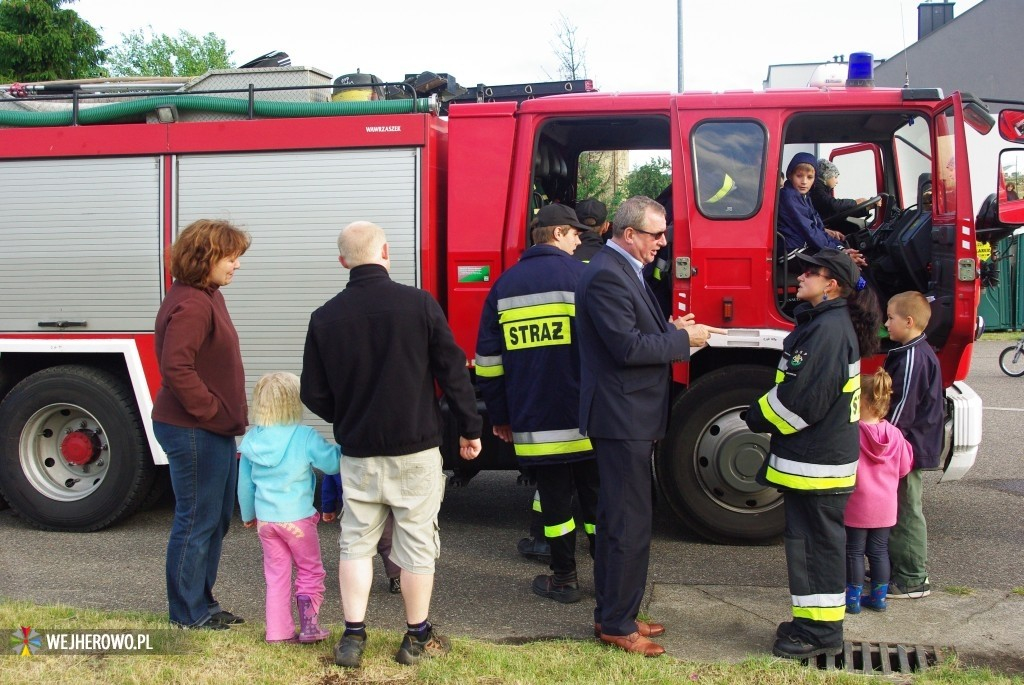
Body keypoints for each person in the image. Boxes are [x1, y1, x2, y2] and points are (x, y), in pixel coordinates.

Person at [300, 220, 482, 669]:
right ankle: (416, 636)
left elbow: (312, 392)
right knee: (418, 542)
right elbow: (453, 371)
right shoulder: (419, 304)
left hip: (358, 451)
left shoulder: (324, 317)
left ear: (343, 260)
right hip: (416, 449)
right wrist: (469, 427)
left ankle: (353, 636)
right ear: (385, 251)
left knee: (355, 542)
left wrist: (347, 417)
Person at [576, 195, 725, 657]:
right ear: (629, 234)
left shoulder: (621, 268)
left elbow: (635, 336)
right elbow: (626, 348)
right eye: (656, 234)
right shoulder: (606, 274)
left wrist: (671, 329)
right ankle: (616, 624)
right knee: (627, 523)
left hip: (629, 416)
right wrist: (683, 339)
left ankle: (617, 611)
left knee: (625, 520)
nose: (664, 242)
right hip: (621, 419)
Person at [745, 247, 880, 660]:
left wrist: (756, 415)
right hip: (816, 463)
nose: (801, 276)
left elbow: (802, 401)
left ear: (831, 285)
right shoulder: (828, 324)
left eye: (811, 272)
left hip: (818, 466)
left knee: (817, 549)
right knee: (810, 547)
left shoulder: (828, 331)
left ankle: (820, 634)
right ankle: (811, 623)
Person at [475, 203, 600, 605]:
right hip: (587, 420)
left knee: (555, 503)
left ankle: (564, 579)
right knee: (598, 502)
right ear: (558, 233)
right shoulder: (584, 278)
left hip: (534, 423)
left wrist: (500, 415)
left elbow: (489, 363)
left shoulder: (505, 285)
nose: (581, 239)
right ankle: (609, 579)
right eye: (576, 233)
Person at [152, 218, 251, 630]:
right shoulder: (192, 303)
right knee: (196, 521)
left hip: (212, 430)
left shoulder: (207, 295)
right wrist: (209, 411)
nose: (236, 265)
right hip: (195, 430)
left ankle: (203, 605)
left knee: (212, 523)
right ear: (205, 257)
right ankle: (188, 614)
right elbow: (176, 366)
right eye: (230, 257)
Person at [237, 372, 340, 643]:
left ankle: (278, 631)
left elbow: (245, 485)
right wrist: (346, 446)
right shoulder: (303, 436)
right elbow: (332, 464)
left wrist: (248, 515)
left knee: (276, 576)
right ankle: (309, 626)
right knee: (310, 570)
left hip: (266, 522)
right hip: (298, 521)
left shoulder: (251, 440)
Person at [883, 291, 944, 600]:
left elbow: (901, 410)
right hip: (912, 446)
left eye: (891, 318)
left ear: (908, 321)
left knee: (906, 511)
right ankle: (902, 569)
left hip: (908, 448)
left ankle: (912, 578)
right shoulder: (913, 352)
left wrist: (881, 444)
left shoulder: (911, 358)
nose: (886, 323)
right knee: (901, 506)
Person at [844, 369, 913, 614]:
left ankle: (851, 600)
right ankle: (879, 598)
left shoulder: (852, 433)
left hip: (857, 504)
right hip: (885, 506)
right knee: (879, 551)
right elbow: (904, 468)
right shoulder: (895, 435)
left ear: (860, 401)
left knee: (853, 551)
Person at [322, 474, 402, 594]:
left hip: (353, 505)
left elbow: (329, 485)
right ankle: (396, 578)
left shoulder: (339, 459)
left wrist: (328, 507)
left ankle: (356, 584)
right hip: (382, 501)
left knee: (356, 546)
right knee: (388, 543)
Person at [777, 152, 845, 254]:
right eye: (799, 176)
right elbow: (809, 231)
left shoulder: (805, 197)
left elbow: (815, 224)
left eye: (809, 177)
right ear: (790, 176)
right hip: (793, 250)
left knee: (845, 251)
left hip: (801, 243)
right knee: (843, 265)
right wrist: (839, 251)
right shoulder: (789, 197)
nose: (804, 181)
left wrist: (838, 246)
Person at [811, 158, 879, 234]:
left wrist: (866, 207)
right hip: (824, 225)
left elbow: (839, 211)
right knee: (853, 228)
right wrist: (856, 202)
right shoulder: (816, 189)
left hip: (827, 222)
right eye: (835, 177)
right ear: (826, 175)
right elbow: (833, 206)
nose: (837, 181)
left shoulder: (823, 189)